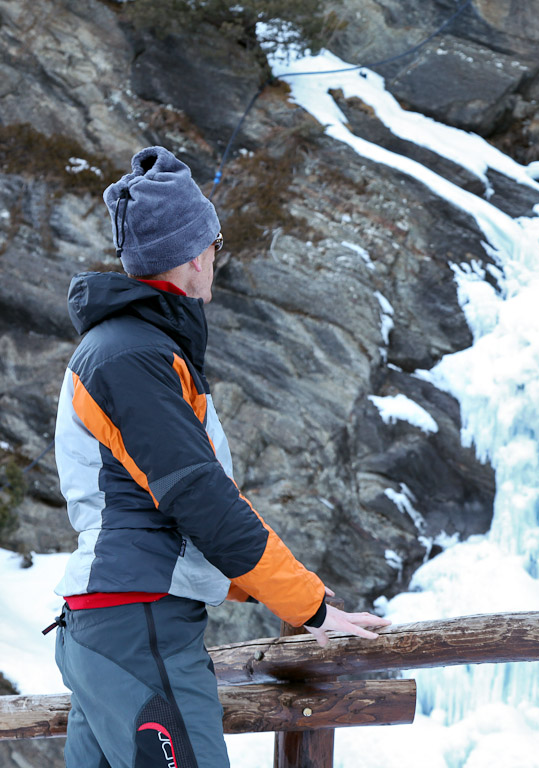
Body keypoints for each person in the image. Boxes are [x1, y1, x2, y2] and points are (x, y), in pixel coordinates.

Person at [50, 146, 390, 767]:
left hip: (115, 624)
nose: (216, 256)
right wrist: (309, 606)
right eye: (215, 243)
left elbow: (164, 511)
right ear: (191, 253)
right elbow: (201, 500)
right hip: (139, 627)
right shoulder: (133, 357)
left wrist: (276, 593)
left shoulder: (140, 349)